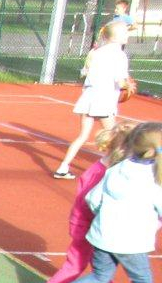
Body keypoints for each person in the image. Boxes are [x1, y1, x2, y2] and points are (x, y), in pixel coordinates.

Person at [44, 121, 162, 283]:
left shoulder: (116, 169)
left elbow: (93, 199)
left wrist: (107, 216)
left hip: (101, 235)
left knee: (100, 275)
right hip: (132, 241)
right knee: (142, 280)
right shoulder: (154, 180)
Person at [34, 121, 135, 283]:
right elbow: (90, 203)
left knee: (100, 261)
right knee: (76, 263)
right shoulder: (105, 174)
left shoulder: (101, 167)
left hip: (85, 222)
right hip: (87, 225)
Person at [54, 22, 130, 180]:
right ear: (116, 37)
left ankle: (63, 167)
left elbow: (88, 74)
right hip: (104, 99)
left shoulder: (97, 52)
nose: (127, 35)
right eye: (125, 32)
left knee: (82, 136)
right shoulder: (119, 55)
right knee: (117, 137)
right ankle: (114, 171)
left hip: (89, 96)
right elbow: (120, 81)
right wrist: (128, 86)